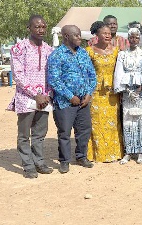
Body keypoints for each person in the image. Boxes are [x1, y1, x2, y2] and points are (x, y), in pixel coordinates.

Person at [7, 15, 54, 178]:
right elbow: (18, 75)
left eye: (43, 27)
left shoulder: (49, 49)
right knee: (24, 134)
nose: (41, 30)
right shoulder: (18, 49)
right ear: (29, 28)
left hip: (45, 99)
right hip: (26, 98)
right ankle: (28, 166)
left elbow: (52, 74)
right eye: (37, 27)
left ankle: (39, 162)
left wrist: (46, 95)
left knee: (40, 134)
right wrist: (36, 94)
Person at [48, 25, 97, 173]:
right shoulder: (57, 55)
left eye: (79, 35)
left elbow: (92, 76)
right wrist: (70, 97)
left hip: (83, 101)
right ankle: (64, 160)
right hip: (65, 102)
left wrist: (88, 94)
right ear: (66, 36)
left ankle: (81, 156)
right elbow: (54, 80)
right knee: (64, 132)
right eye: (76, 35)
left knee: (84, 130)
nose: (79, 38)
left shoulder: (83, 53)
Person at [114, 25, 142, 165]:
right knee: (128, 120)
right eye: (131, 37)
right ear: (128, 38)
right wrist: (127, 90)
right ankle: (128, 151)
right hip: (127, 91)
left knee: (141, 120)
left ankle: (141, 151)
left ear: (140, 38)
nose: (134, 39)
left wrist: (139, 89)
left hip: (140, 92)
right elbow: (119, 73)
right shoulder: (122, 54)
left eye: (137, 37)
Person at [86, 21, 123, 162]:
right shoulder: (89, 51)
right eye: (104, 33)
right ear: (97, 35)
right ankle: (96, 154)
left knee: (113, 123)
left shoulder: (117, 51)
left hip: (112, 92)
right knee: (96, 122)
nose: (108, 35)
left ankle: (114, 153)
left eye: (109, 33)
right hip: (95, 92)